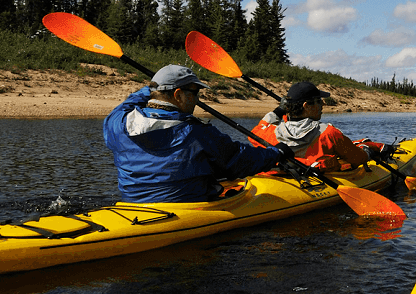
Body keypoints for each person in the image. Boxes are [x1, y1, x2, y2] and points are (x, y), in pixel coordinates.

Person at [103, 64, 288, 203]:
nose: (197, 99)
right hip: (186, 206)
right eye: (195, 92)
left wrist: (154, 88)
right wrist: (276, 153)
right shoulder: (195, 133)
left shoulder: (117, 123)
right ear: (178, 95)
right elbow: (240, 160)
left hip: (134, 204)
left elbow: (128, 103)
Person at [256, 81, 393, 171]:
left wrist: (280, 110)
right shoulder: (329, 133)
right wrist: (367, 153)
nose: (323, 105)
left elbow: (260, 128)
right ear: (306, 106)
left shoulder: (271, 133)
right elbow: (358, 158)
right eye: (319, 101)